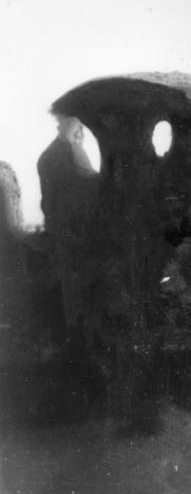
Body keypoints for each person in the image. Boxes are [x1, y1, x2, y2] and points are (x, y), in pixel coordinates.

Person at [36, 114, 99, 339]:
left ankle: (77, 335)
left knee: (74, 291)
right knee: (79, 291)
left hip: (67, 230)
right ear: (64, 124)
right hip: (75, 230)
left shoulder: (52, 155)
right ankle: (81, 337)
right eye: (77, 125)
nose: (81, 132)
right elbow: (90, 184)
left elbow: (47, 204)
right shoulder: (65, 153)